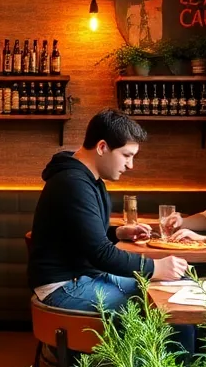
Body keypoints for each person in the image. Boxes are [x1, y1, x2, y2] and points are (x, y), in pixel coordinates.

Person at [29, 109, 188, 311]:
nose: (130, 165)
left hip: (86, 277)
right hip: (64, 286)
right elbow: (101, 253)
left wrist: (118, 233)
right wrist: (155, 267)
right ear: (102, 147)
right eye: (127, 155)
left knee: (176, 289)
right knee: (166, 306)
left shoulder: (89, 179)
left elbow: (82, 237)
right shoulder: (73, 182)